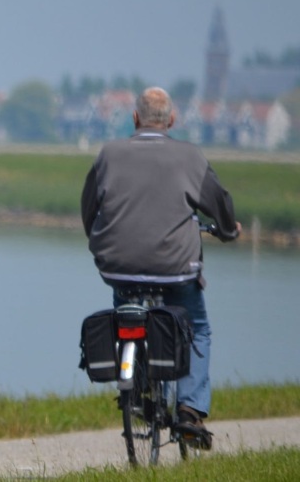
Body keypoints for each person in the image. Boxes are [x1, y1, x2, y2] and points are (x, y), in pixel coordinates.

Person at [80, 86, 240, 448]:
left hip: (119, 266)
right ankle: (189, 410)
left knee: (127, 316)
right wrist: (229, 231)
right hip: (176, 269)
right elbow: (220, 204)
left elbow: (89, 207)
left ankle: (135, 387)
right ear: (172, 120)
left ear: (134, 119)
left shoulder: (108, 154)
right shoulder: (190, 157)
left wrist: (99, 240)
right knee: (197, 329)